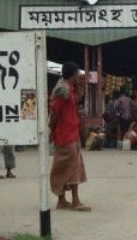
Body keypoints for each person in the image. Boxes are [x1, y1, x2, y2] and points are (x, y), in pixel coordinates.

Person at [49, 61, 90, 212]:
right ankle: (75, 200)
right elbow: (54, 111)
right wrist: (51, 130)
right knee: (73, 167)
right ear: (73, 74)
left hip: (70, 132)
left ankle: (62, 200)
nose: (79, 76)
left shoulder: (70, 89)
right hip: (65, 134)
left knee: (65, 167)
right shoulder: (64, 91)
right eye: (78, 74)